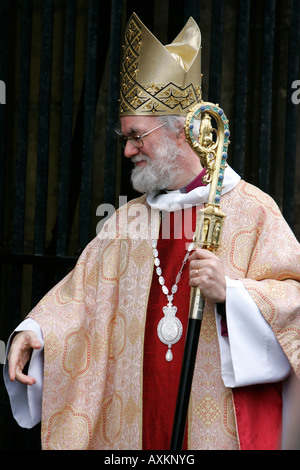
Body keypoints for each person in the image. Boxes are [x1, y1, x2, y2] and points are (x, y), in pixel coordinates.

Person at [4, 13, 300, 450]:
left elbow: (294, 300)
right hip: (135, 424)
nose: (127, 149)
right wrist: (35, 331)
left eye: (137, 136)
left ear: (184, 131)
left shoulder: (252, 210)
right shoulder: (127, 222)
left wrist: (233, 294)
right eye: (125, 137)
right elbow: (81, 298)